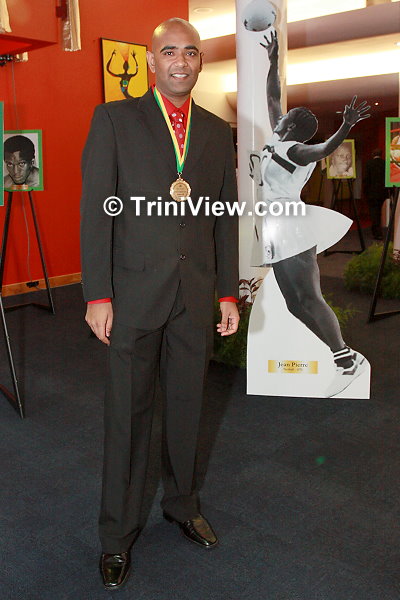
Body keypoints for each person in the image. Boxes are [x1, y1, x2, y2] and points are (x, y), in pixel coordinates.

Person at [81, 18, 239, 591]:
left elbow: (224, 218)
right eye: (168, 51)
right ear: (151, 61)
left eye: (190, 52)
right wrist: (98, 294)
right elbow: (97, 211)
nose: (180, 60)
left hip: (194, 295)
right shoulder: (114, 120)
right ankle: (116, 534)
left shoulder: (217, 132)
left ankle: (182, 505)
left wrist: (227, 291)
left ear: (200, 63)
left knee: (188, 408)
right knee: (128, 416)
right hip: (131, 297)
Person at [250, 32, 370, 398]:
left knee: (310, 297)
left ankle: (345, 359)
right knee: (293, 303)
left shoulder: (297, 150)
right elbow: (272, 95)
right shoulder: (278, 138)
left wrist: (346, 126)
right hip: (274, 225)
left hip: (293, 226)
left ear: (291, 124)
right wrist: (273, 61)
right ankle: (338, 353)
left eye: (286, 115)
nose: (279, 112)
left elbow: (323, 150)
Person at [364, 148, 387, 240]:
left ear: (373, 154)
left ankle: (376, 232)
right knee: (378, 211)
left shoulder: (369, 164)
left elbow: (367, 179)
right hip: (382, 193)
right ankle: (377, 231)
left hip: (372, 193)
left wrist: (365, 192)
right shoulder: (385, 163)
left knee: (374, 212)